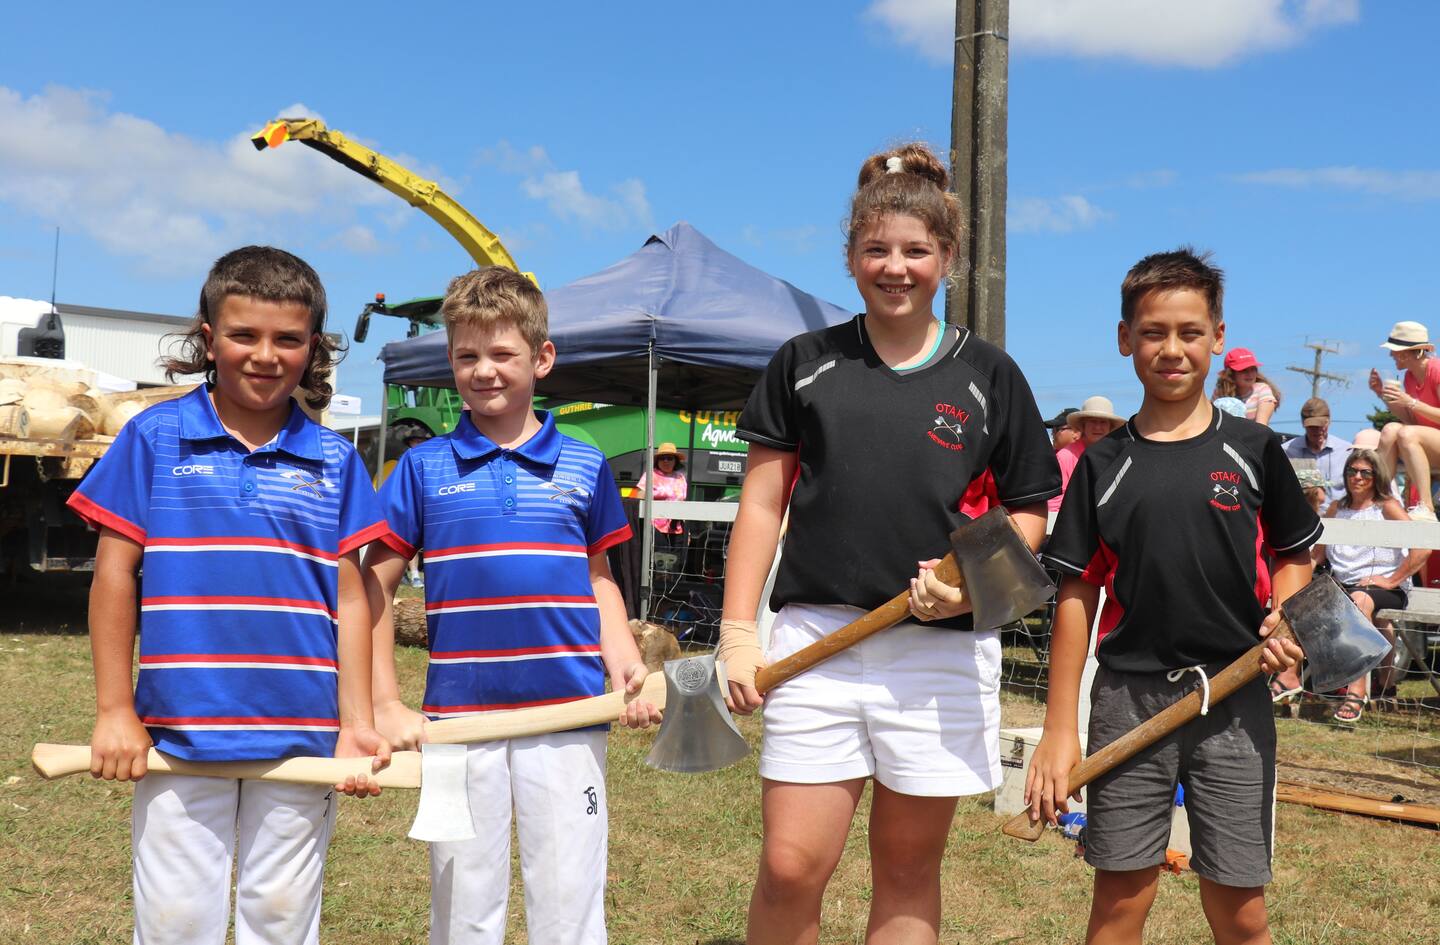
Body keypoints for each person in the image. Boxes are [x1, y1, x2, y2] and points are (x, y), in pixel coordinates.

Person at [717, 143, 1059, 945]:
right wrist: (738, 630)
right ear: (849, 256)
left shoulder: (990, 373)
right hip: (815, 642)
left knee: (907, 869)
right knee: (792, 863)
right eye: (876, 249)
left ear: (948, 256)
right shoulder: (803, 363)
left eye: (915, 250)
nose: (895, 266)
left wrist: (973, 585)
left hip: (935, 653)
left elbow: (1030, 509)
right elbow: (762, 505)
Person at [67, 246, 393, 944]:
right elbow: (114, 574)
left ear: (314, 347)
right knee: (176, 921)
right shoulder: (153, 437)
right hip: (180, 735)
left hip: (300, 737)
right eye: (245, 334)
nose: (266, 355)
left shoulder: (334, 459)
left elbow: (354, 593)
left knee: (280, 915)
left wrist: (356, 720)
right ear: (210, 339)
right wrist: (114, 711)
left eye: (288, 338)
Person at [361, 266, 660, 945]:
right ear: (450, 361)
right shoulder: (420, 468)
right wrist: (384, 701)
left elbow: (600, 578)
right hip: (456, 729)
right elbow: (373, 587)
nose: (484, 370)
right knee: (463, 907)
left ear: (541, 358)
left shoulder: (584, 465)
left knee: (569, 905)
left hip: (569, 717)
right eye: (468, 355)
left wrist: (625, 662)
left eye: (502, 354)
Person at [1028, 248, 1317, 945]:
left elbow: (1296, 552)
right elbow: (1076, 593)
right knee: (1122, 900)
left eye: (1191, 332)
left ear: (1218, 337)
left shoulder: (1253, 448)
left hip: (1236, 698)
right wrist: (1059, 727)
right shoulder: (1102, 463)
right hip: (1128, 703)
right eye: (1153, 332)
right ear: (1125, 337)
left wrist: (1287, 611)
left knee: (1240, 907)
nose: (1172, 349)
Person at [1276, 450, 1426, 719]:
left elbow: (1422, 547)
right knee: (1300, 602)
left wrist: (1392, 579)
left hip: (1384, 587)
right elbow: (1317, 555)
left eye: (1364, 472)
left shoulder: (1387, 507)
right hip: (1343, 585)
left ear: (1376, 475)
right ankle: (1289, 677)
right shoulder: (1337, 509)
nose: (1357, 477)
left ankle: (1357, 691)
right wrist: (1297, 586)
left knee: (1359, 601)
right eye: (1351, 471)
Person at [1372, 320, 1440, 520]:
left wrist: (1410, 402)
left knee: (1405, 432)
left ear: (1405, 353)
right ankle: (1381, 500)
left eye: (1393, 350)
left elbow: (1413, 420)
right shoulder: (1410, 377)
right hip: (1430, 442)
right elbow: (1412, 421)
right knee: (1390, 429)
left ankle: (1426, 507)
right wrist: (1382, 395)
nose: (1390, 355)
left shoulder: (1436, 370)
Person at [1049, 396, 1125, 513]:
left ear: (1110, 427)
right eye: (1093, 421)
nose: (1098, 427)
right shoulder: (1066, 457)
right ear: (1083, 425)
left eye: (1103, 422)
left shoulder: (1119, 456)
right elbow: (1054, 503)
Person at [1281, 397, 1349, 506]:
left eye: (1321, 425)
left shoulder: (1346, 451)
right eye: (1312, 426)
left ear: (1329, 421)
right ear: (1303, 423)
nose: (1317, 430)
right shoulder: (1287, 451)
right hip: (1301, 515)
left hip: (1338, 517)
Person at [635, 441, 690, 574]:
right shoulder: (651, 475)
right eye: (662, 458)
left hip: (677, 527)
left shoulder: (680, 478)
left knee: (676, 561)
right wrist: (657, 494)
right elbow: (638, 495)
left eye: (669, 458)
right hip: (656, 526)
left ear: (675, 461)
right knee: (660, 559)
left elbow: (683, 503)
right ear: (657, 461)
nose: (666, 461)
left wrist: (687, 530)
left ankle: (673, 589)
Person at [1212, 347, 1281, 425]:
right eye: (1243, 370)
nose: (1250, 374)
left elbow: (1261, 426)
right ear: (1231, 374)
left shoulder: (1262, 389)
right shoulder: (1219, 394)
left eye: (1253, 369)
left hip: (1255, 435)